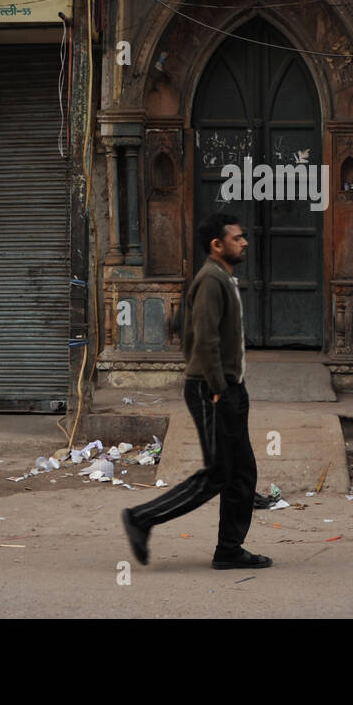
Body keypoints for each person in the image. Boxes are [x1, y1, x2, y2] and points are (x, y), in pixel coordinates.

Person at [122, 212, 270, 570]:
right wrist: (219, 388)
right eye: (237, 238)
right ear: (217, 245)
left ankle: (229, 549)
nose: (244, 242)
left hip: (229, 387)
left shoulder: (222, 279)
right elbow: (205, 341)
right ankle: (142, 518)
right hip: (210, 389)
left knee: (243, 472)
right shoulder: (210, 280)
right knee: (220, 472)